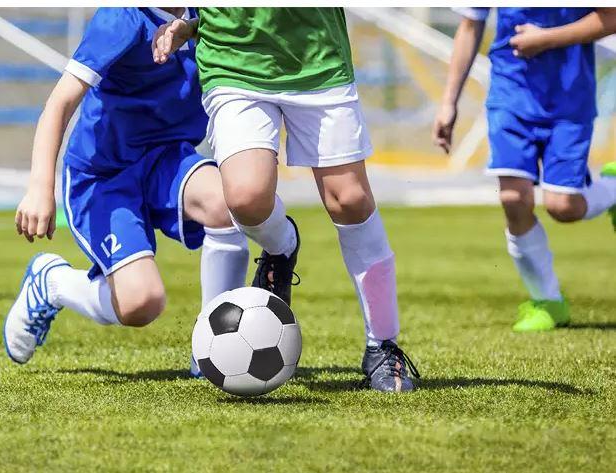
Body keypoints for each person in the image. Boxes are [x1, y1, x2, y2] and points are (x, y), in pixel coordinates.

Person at [153, 8, 419, 392]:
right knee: (245, 197)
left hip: (317, 58)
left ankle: (382, 345)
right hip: (235, 61)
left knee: (349, 199)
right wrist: (193, 26)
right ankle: (281, 246)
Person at [2, 7, 249, 371]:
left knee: (227, 203)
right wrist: (41, 186)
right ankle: (52, 282)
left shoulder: (211, 13)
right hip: (105, 173)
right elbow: (60, 103)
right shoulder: (121, 18)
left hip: (166, 158)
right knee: (142, 303)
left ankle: (213, 351)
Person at [433, 7, 616, 332]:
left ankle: (611, 189)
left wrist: (547, 39)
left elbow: (611, 16)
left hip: (570, 101)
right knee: (513, 199)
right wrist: (449, 102)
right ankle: (547, 301)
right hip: (510, 94)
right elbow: (470, 25)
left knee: (563, 207)